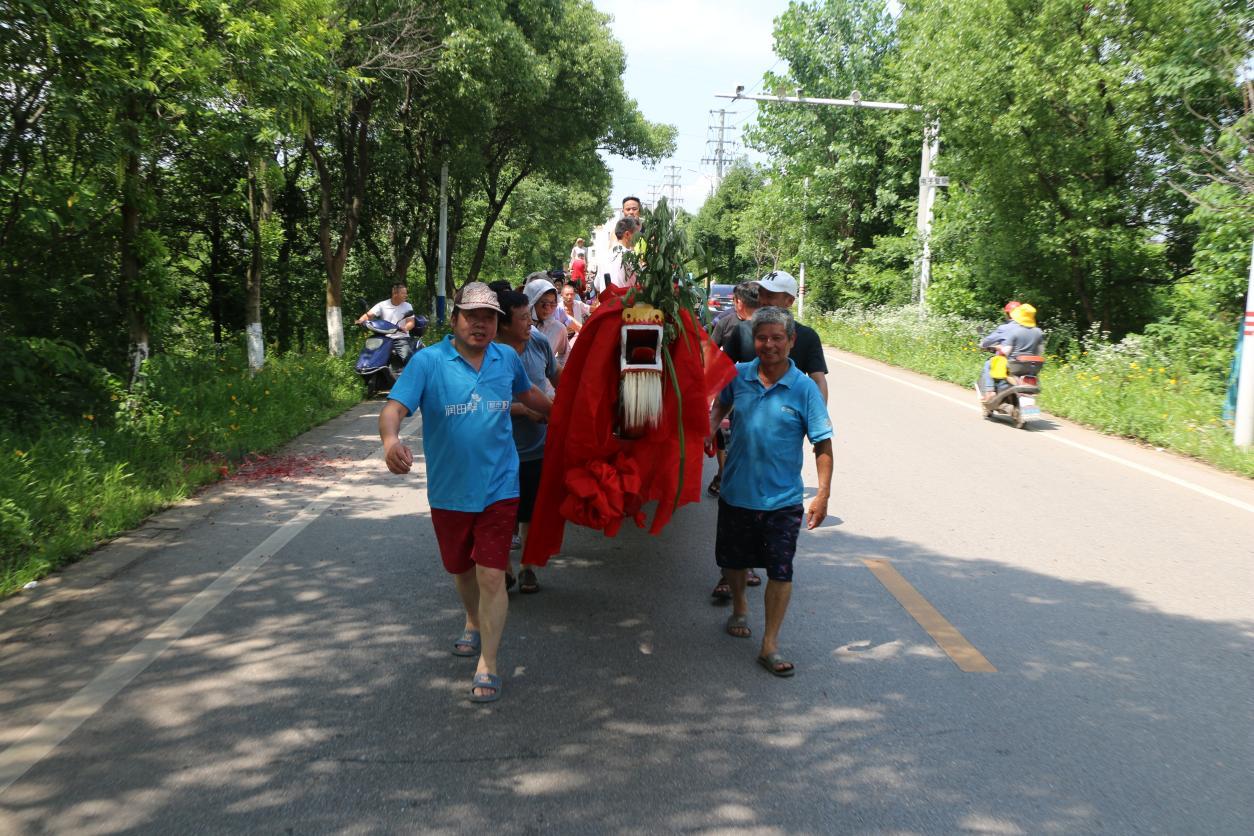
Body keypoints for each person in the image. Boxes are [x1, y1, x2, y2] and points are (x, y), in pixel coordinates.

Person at [378, 282, 553, 703]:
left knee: (491, 573)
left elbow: (530, 395)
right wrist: (390, 442)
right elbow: (394, 408)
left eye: (489, 317)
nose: (480, 324)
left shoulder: (506, 358)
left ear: (498, 324)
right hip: (450, 493)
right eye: (472, 315)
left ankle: (488, 663)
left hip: (499, 487)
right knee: (461, 568)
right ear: (454, 318)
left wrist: (570, 415)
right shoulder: (429, 362)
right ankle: (472, 620)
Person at [706, 306, 833, 677]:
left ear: (791, 342)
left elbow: (822, 444)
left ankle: (770, 644)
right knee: (732, 560)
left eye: (778, 338)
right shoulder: (739, 375)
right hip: (736, 492)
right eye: (763, 337)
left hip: (783, 500)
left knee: (781, 569)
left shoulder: (805, 389)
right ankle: (740, 607)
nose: (770, 344)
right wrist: (709, 428)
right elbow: (720, 405)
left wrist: (822, 494)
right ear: (754, 340)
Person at [709, 270, 828, 602]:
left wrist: (816, 416)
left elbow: (817, 379)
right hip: (740, 416)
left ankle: (756, 567)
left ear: (789, 301)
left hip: (782, 421)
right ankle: (730, 573)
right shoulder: (741, 331)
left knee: (768, 498)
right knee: (737, 495)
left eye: (772, 294)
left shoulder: (804, 337)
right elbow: (722, 374)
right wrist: (711, 421)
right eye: (761, 292)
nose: (762, 298)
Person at [496, 290, 561, 594]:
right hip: (500, 450)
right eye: (523, 317)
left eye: (529, 315)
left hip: (537, 447)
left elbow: (556, 375)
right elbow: (482, 404)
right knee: (502, 512)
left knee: (531, 510)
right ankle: (504, 565)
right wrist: (524, 410)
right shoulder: (487, 353)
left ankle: (527, 567)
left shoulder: (538, 342)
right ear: (504, 324)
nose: (530, 322)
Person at [706, 280, 760, 499]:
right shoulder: (726, 322)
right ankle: (723, 472)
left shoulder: (767, 327)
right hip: (730, 389)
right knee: (724, 433)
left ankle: (736, 478)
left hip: (755, 394)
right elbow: (711, 352)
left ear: (738, 302)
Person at [978, 302, 1043, 400]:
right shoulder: (1038, 332)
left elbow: (1006, 351)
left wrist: (998, 348)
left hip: (1015, 365)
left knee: (989, 364)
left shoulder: (1013, 331)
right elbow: (1040, 351)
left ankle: (990, 391)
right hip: (1033, 368)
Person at [356, 282, 418, 362]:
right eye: (403, 293)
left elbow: (411, 322)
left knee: (407, 358)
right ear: (395, 294)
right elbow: (369, 315)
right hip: (383, 337)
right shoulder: (383, 305)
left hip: (400, 337)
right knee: (371, 356)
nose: (406, 295)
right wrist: (360, 320)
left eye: (406, 293)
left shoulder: (407, 306)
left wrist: (405, 328)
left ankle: (409, 373)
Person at [523, 274, 570, 368]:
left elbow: (565, 355)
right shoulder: (519, 326)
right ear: (532, 302)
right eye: (544, 304)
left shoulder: (559, 328)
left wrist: (553, 372)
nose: (548, 308)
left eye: (552, 304)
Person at [595, 217, 640, 295]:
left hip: (607, 304)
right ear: (627, 234)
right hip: (625, 304)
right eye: (637, 234)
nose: (639, 237)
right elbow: (640, 284)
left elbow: (597, 285)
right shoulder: (630, 257)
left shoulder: (604, 256)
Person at [560, 281, 591, 347]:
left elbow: (590, 309)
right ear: (562, 295)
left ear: (575, 295)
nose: (570, 297)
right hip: (562, 338)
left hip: (578, 335)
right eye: (567, 294)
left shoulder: (578, 304)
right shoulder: (557, 308)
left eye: (572, 294)